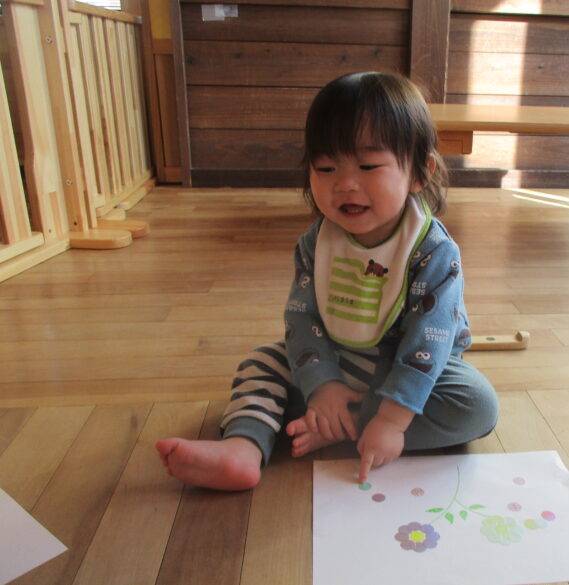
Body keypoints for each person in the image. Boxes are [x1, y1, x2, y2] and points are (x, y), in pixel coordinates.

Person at [156, 72, 499, 491]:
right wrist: (322, 385)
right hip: (337, 357)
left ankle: (343, 424)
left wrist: (392, 421)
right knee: (261, 362)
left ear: (419, 172)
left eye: (368, 166)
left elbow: (429, 342)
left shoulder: (432, 250)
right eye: (325, 167)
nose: (345, 183)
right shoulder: (317, 243)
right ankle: (242, 447)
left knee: (476, 405)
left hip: (408, 369)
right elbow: (302, 320)